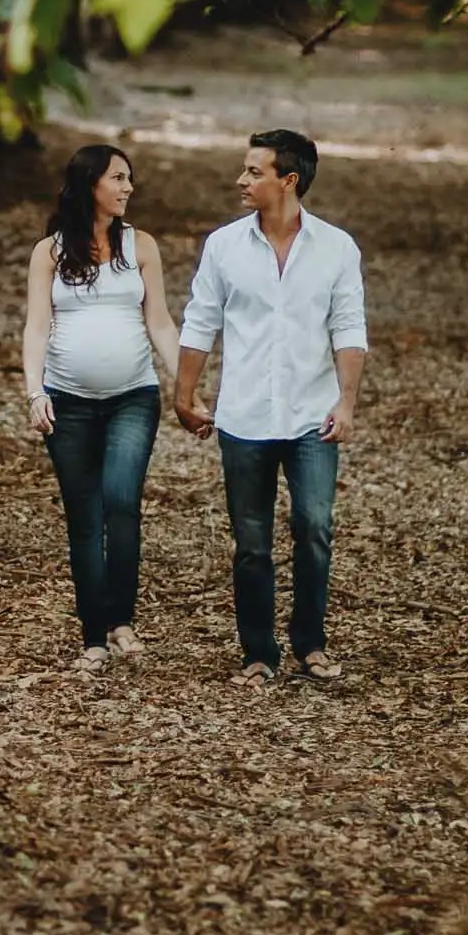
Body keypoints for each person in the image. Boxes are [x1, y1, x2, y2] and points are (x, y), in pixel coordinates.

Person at [174, 129, 368, 689]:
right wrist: (184, 395)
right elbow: (200, 320)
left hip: (312, 415)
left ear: (289, 180)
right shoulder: (224, 246)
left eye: (254, 171)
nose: (242, 180)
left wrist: (347, 402)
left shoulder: (336, 248)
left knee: (314, 526)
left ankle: (310, 642)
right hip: (243, 416)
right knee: (252, 542)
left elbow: (349, 327)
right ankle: (258, 652)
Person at [21, 144, 183, 672]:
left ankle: (121, 622)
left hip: (133, 397)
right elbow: (37, 326)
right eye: (118, 178)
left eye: (129, 178)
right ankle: (93, 633)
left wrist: (188, 385)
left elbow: (159, 321)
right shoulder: (49, 252)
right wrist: (34, 391)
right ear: (90, 183)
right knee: (84, 519)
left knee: (121, 502)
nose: (128, 187)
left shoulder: (142, 246)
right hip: (66, 403)